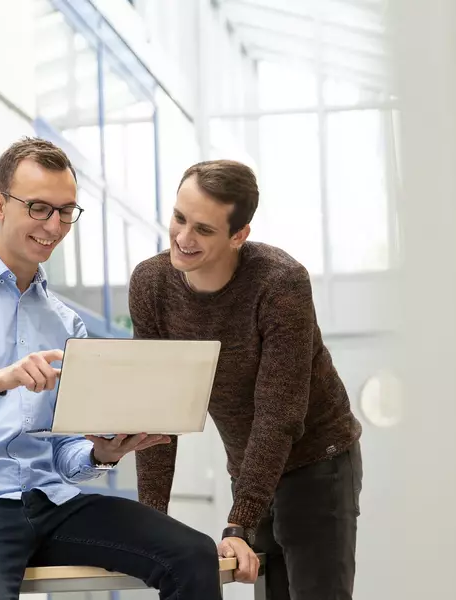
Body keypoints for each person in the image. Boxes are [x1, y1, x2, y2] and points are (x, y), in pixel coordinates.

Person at [0, 138, 223, 600]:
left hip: (52, 503)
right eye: (40, 208)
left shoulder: (67, 322)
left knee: (192, 554)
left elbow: (65, 451)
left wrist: (102, 454)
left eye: (66, 211)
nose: (54, 226)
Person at [129, 159, 364, 600]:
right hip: (249, 466)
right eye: (179, 218)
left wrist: (239, 522)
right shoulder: (152, 284)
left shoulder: (280, 283)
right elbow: (158, 413)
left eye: (203, 229)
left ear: (239, 235)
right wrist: (151, 524)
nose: (182, 238)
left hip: (319, 462)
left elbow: (280, 414)